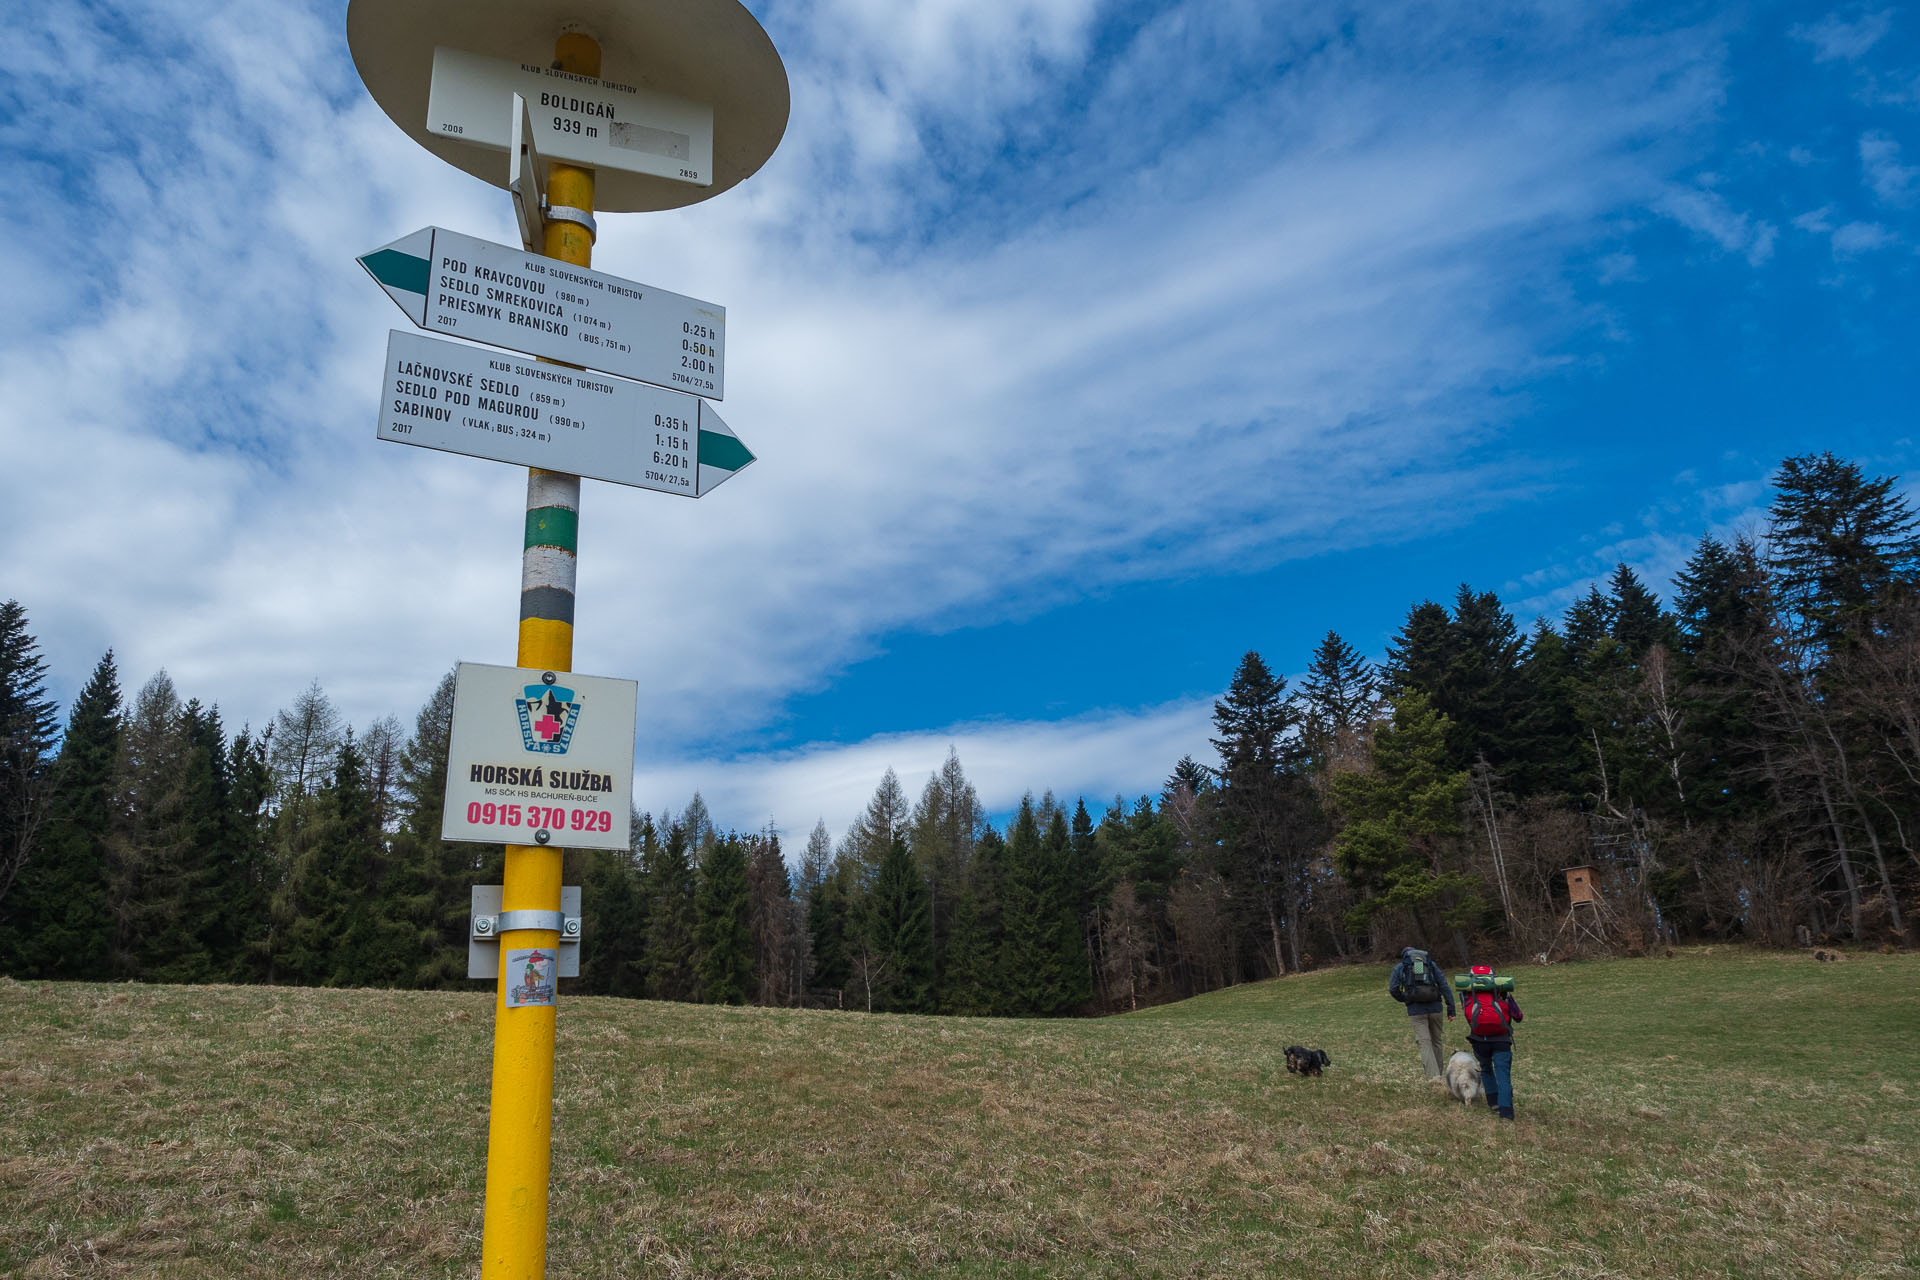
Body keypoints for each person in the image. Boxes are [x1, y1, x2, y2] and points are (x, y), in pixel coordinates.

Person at [1461, 966, 1524, 1121]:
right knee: (1503, 1076)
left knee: (1486, 1069)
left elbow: (1468, 1016)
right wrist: (1505, 998)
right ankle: (1506, 1112)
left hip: (1479, 1041)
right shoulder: (1502, 994)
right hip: (1501, 1041)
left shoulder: (1468, 995)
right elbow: (1518, 1016)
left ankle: (1493, 1103)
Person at [1387, 945, 1455, 1080]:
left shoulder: (1401, 967)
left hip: (1416, 1010)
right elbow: (1444, 985)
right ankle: (1439, 1073)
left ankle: (1434, 1078)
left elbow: (1393, 989)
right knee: (1436, 1041)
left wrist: (1406, 999)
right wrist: (1451, 1009)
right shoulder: (1430, 964)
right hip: (1435, 1007)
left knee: (1425, 1043)